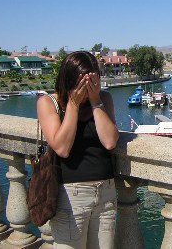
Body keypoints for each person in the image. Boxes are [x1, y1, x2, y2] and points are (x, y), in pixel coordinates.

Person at [37, 51, 119, 249]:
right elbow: (62, 148)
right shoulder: (49, 102)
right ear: (69, 79)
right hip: (71, 197)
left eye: (92, 80)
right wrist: (73, 104)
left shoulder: (104, 99)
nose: (87, 86)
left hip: (106, 194)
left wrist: (95, 101)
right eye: (82, 81)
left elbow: (110, 142)